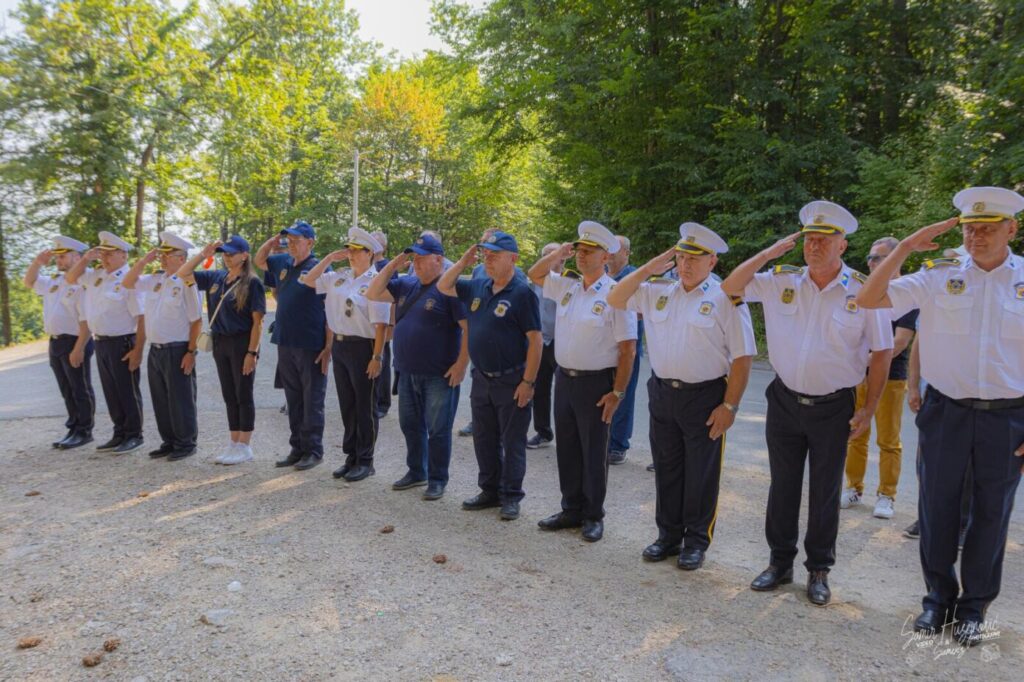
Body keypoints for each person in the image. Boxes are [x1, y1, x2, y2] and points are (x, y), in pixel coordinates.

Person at [856, 186, 1024, 647]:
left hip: (1007, 417)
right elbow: (870, 299)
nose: (978, 236)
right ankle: (937, 599)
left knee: (992, 513)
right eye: (971, 228)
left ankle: (974, 609)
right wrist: (907, 247)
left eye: (989, 228)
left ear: (1012, 229)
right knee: (937, 507)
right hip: (946, 410)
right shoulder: (938, 274)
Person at [721, 200, 893, 606]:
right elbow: (731, 286)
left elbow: (882, 352)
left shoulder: (863, 290)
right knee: (782, 486)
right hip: (784, 399)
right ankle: (779, 563)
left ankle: (819, 569)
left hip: (834, 405)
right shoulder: (782, 280)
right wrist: (768, 254)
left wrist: (868, 408)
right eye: (809, 239)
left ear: (843, 245)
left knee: (824, 489)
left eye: (824, 240)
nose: (814, 246)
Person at [609, 222, 755, 569]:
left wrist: (730, 406)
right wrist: (649, 267)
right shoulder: (658, 290)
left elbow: (743, 357)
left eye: (695, 258)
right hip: (663, 393)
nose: (686, 265)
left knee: (701, 473)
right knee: (667, 467)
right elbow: (615, 297)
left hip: (705, 396)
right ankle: (668, 535)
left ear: (712, 262)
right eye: (681, 257)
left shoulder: (725, 298)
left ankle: (696, 540)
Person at [528, 222, 638, 542]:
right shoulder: (568, 285)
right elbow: (534, 275)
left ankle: (593, 514)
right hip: (566, 378)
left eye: (589, 251)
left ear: (606, 256)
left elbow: (628, 348)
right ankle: (570, 508)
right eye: (578, 250)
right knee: (568, 447)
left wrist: (617, 391)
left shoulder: (616, 293)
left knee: (593, 450)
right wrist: (557, 255)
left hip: (596, 383)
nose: (581, 256)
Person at [439, 231, 542, 521]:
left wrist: (528, 382)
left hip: (512, 379)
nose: (488, 260)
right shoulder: (478, 285)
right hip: (482, 378)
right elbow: (444, 284)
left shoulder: (522, 293)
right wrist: (463, 261)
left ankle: (511, 496)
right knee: (484, 438)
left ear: (513, 259)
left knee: (512, 441)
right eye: (485, 255)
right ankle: (490, 490)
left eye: (495, 255)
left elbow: (535, 341)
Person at [366, 233, 468, 500]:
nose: (418, 263)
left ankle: (437, 478)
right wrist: (393, 264)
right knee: (410, 424)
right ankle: (416, 470)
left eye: (424, 259)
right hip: (407, 370)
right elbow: (373, 291)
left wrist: (461, 365)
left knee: (438, 429)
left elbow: (468, 329)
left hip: (439, 373)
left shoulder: (449, 289)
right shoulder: (406, 284)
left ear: (439, 260)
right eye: (416, 258)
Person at [300, 227, 390, 482]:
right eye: (348, 250)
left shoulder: (376, 281)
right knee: (347, 405)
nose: (350, 254)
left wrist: (377, 357)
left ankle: (366, 460)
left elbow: (382, 325)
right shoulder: (338, 276)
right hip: (340, 346)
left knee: (365, 406)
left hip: (364, 346)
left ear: (369, 253)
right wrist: (328, 259)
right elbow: (308, 280)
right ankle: (350, 456)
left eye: (356, 250)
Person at [840, 237, 918, 518]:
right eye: (871, 258)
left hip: (891, 377)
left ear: (896, 259)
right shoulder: (862, 291)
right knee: (856, 434)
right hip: (858, 377)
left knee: (888, 440)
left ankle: (886, 495)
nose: (872, 263)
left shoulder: (909, 293)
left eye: (879, 258)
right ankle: (853, 487)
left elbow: (899, 343)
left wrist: (860, 362)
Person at [178, 235, 266, 465]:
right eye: (224, 253)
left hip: (241, 342)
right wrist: (203, 255)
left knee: (243, 393)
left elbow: (258, 322)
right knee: (229, 394)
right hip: (220, 341)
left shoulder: (252, 282)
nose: (227, 257)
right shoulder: (217, 277)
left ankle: (244, 445)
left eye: (231, 253)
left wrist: (252, 352)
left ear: (244, 255)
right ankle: (233, 441)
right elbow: (183, 273)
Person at [255, 221, 330, 471]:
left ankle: (313, 450)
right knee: (293, 398)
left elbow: (330, 310)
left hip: (311, 343)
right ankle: (297, 447)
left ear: (310, 242)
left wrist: (328, 346)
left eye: (297, 240)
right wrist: (272, 242)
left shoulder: (317, 268)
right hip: (285, 341)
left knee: (312, 400)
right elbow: (259, 260)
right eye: (290, 239)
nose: (292, 244)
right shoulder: (282, 263)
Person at [123, 232, 201, 461]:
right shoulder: (155, 279)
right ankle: (169, 441)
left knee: (180, 399)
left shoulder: (187, 282)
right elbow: (127, 282)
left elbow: (196, 320)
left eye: (168, 255)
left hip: (177, 349)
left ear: (182, 258)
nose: (162, 259)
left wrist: (191, 352)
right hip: (155, 349)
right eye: (162, 255)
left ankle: (186, 443)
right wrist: (143, 261)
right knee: (161, 399)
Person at [66, 231, 146, 454]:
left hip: (122, 341)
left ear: (123, 255)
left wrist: (138, 350)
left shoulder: (130, 280)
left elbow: (141, 318)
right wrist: (85, 259)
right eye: (102, 254)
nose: (104, 258)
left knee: (127, 390)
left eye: (109, 254)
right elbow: (70, 278)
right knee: (111, 391)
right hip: (100, 342)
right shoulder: (97, 275)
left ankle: (134, 434)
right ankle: (119, 432)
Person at [23, 235, 95, 450]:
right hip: (55, 342)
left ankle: (84, 430)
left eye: (63, 257)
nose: (59, 261)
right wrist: (37, 262)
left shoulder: (83, 281)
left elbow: (86, 319)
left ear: (77, 257)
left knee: (79, 387)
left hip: (74, 340)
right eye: (57, 257)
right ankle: (73, 427)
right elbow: (29, 282)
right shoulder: (54, 279)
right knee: (66, 388)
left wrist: (79, 347)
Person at [606, 235, 643, 465]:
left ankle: (618, 445)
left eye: (615, 248)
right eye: (607, 248)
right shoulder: (601, 276)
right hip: (603, 347)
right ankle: (605, 440)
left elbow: (644, 309)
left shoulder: (635, 277)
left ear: (626, 253)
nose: (610, 252)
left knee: (623, 394)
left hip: (628, 347)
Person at [526, 242, 565, 450]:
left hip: (563, 343)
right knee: (539, 388)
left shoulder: (571, 282)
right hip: (540, 341)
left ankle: (568, 434)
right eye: (546, 256)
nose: (551, 259)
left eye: (554, 255)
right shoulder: (532, 284)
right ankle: (543, 432)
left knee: (563, 392)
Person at [370, 230, 393, 419]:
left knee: (382, 365)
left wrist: (391, 326)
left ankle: (382, 403)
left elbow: (394, 298)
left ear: (383, 247)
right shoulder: (365, 265)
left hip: (382, 324)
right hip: (366, 326)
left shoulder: (387, 267)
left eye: (377, 242)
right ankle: (371, 400)